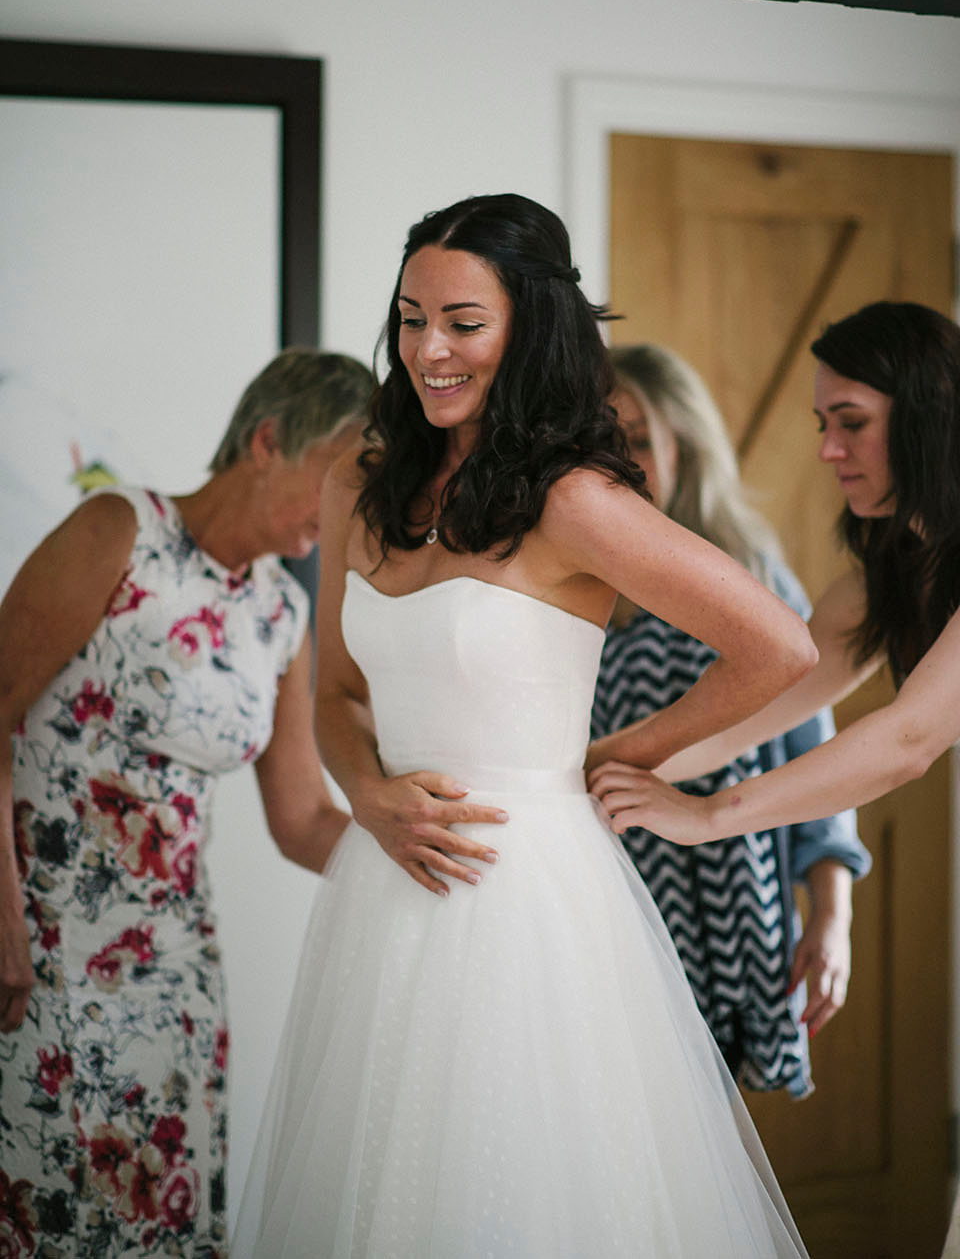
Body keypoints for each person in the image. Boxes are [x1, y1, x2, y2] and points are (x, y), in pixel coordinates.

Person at [234, 193, 819, 1258]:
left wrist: (614, 758)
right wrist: (366, 796)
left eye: (464, 321)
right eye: (411, 317)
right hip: (385, 891)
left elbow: (781, 646)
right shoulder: (355, 479)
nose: (428, 349)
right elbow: (335, 693)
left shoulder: (576, 502)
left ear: (531, 326)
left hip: (528, 902)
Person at [0, 348, 384, 1258]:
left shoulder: (280, 618)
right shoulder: (117, 530)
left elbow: (301, 820)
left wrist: (418, 855)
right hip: (38, 945)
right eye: (338, 479)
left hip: (174, 975)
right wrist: (3, 916)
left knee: (156, 1225)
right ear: (266, 441)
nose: (341, 513)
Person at [590, 343, 870, 1097]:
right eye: (605, 438)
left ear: (689, 442)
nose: (623, 459)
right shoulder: (579, 580)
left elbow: (815, 757)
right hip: (605, 896)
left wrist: (831, 913)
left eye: (641, 437)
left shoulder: (747, 576)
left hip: (727, 905)